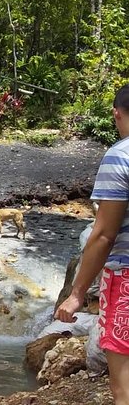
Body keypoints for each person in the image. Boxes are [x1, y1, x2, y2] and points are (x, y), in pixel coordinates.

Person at [55, 83, 129, 405]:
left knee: (124, 384)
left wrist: (76, 295)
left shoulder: (120, 157)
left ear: (116, 114)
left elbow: (103, 235)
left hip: (126, 279)